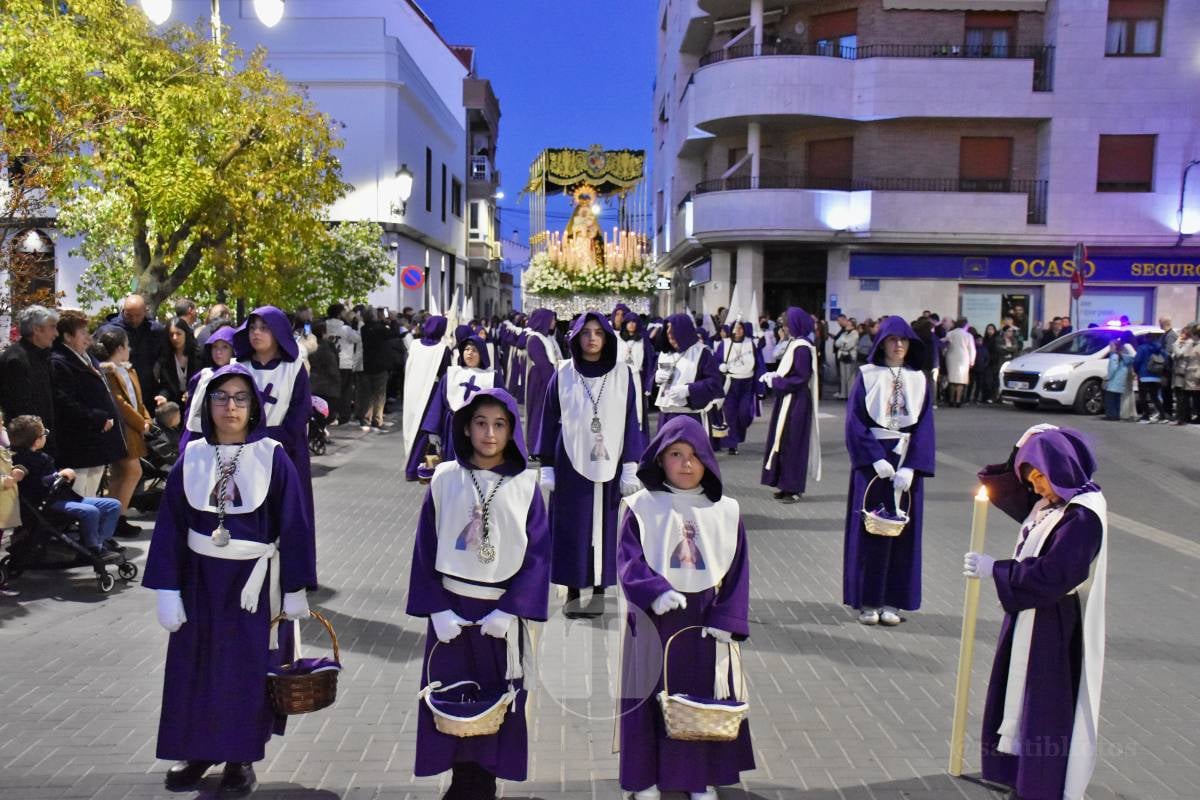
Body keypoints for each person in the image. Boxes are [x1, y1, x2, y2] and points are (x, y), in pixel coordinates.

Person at [142, 364, 316, 795]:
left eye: (240, 398)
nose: (230, 406)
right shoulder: (193, 457)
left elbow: (294, 525)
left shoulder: (272, 457)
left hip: (252, 586)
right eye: (221, 398)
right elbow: (171, 525)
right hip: (201, 580)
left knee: (245, 672)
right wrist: (167, 588)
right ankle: (198, 750)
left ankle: (241, 758)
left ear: (253, 406)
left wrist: (294, 588)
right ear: (207, 405)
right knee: (195, 667)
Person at [406, 388, 549, 800]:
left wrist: (510, 609)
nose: (489, 433)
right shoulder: (446, 478)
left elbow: (538, 554)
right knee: (452, 695)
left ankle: (482, 780)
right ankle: (460, 777)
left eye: (499, 425)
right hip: (452, 608)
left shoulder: (525, 484)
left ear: (511, 431)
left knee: (494, 697)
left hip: (499, 613)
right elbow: (425, 547)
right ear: (466, 428)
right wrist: (435, 609)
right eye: (481, 424)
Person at [617, 416, 754, 800]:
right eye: (676, 454)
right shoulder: (641, 506)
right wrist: (653, 590)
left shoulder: (725, 510)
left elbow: (738, 567)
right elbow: (629, 559)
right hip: (653, 618)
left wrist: (727, 616)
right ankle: (643, 778)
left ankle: (698, 777)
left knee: (698, 700)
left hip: (702, 620)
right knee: (646, 694)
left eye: (695, 456)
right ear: (661, 459)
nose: (687, 464)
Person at [968, 425, 1107, 800]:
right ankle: (1016, 774)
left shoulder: (1082, 515)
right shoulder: (1050, 503)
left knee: (1042, 707)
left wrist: (995, 570)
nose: (1035, 488)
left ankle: (1039, 786)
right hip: (1029, 609)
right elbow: (1000, 486)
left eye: (1041, 477)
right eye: (1031, 479)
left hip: (1052, 619)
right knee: (1019, 694)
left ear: (1062, 468)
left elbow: (1057, 574)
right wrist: (1021, 449)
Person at [536, 312, 644, 619]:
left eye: (599, 332)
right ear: (576, 337)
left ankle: (599, 590)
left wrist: (630, 465)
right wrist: (546, 464)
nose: (593, 338)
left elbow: (630, 422)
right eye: (586, 332)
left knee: (605, 528)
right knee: (573, 528)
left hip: (610, 463)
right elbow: (549, 419)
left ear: (607, 337)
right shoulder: (564, 373)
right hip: (570, 460)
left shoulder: (622, 374)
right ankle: (572, 591)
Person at [842, 316, 935, 627]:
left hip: (905, 462)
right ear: (881, 344)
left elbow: (924, 427)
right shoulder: (867, 376)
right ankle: (867, 600)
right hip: (873, 466)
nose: (898, 346)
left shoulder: (920, 379)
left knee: (902, 534)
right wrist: (873, 459)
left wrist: (911, 466)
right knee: (871, 532)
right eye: (893, 340)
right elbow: (855, 421)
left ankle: (894, 600)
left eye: (904, 341)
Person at [232, 307, 315, 519]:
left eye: (264, 328)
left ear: (278, 332)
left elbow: (300, 409)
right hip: (243, 445)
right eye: (252, 328)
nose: (256, 333)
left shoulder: (293, 368)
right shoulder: (239, 367)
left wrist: (275, 441)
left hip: (285, 446)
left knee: (285, 508)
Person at [8, 414, 122, 560]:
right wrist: (59, 475)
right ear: (37, 441)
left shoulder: (40, 456)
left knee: (113, 505)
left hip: (62, 497)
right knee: (90, 511)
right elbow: (38, 483)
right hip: (47, 503)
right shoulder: (22, 459)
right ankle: (93, 548)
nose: (46, 436)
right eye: (45, 433)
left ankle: (98, 542)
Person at [49, 310, 127, 497]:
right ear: (67, 336)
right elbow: (64, 402)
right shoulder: (59, 362)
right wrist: (96, 418)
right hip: (78, 443)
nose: (88, 337)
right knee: (79, 494)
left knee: (92, 493)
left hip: (96, 441)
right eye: (82, 332)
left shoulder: (86, 357)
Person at [760, 307, 821, 503]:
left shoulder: (802, 347)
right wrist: (775, 376)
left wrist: (776, 382)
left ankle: (793, 487)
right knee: (783, 440)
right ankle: (784, 483)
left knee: (793, 443)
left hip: (796, 402)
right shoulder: (795, 344)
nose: (784, 326)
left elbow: (800, 378)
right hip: (788, 399)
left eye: (787, 323)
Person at [95, 328, 152, 537]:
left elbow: (138, 400)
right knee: (132, 471)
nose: (129, 349)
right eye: (126, 345)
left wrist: (146, 419)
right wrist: (140, 423)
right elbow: (120, 404)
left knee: (122, 474)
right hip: (122, 429)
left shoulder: (129, 370)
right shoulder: (109, 372)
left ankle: (113, 517)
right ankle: (118, 517)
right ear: (119, 348)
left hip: (133, 428)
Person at [420, 337, 495, 464]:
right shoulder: (450, 375)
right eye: (467, 349)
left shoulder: (491, 377)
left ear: (482, 354)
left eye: (475, 350)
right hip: (452, 426)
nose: (470, 353)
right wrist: (433, 431)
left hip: (479, 427)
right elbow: (438, 404)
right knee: (451, 462)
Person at [0, 305, 60, 457]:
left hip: (43, 438)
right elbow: (19, 407)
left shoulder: (43, 356)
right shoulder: (16, 359)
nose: (56, 334)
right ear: (37, 329)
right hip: (28, 444)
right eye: (52, 327)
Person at [653, 313, 724, 434]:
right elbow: (651, 383)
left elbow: (715, 384)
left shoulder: (702, 353)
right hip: (665, 413)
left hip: (690, 416)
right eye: (668, 333)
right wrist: (655, 378)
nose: (670, 337)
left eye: (674, 333)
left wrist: (688, 390)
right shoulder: (664, 353)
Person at [403, 315, 451, 481]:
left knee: (413, 430)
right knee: (428, 431)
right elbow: (446, 374)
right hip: (433, 393)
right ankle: (427, 469)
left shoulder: (414, 345)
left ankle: (412, 469)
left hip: (412, 390)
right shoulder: (443, 349)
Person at [98, 294, 166, 405]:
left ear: (146, 311)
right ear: (122, 311)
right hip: (118, 390)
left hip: (148, 392)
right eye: (129, 315)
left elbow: (165, 358)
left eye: (138, 315)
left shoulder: (155, 331)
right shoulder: (109, 331)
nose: (134, 320)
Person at [180, 327, 236, 449]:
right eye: (215, 347)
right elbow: (190, 409)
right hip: (197, 433)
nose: (218, 352)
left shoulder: (239, 376)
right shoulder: (202, 375)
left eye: (224, 347)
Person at [715, 318, 763, 455]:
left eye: (741, 328)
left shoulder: (751, 344)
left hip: (746, 384)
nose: (738, 331)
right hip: (730, 383)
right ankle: (732, 444)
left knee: (744, 414)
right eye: (736, 328)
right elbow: (715, 362)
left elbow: (759, 366)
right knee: (730, 415)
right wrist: (720, 367)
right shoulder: (724, 345)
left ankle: (738, 435)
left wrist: (760, 388)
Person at [523, 308, 561, 450]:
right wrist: (553, 383)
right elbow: (543, 363)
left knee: (546, 414)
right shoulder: (535, 339)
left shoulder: (546, 338)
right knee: (539, 413)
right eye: (552, 319)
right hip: (540, 381)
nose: (554, 322)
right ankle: (535, 446)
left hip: (547, 378)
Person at [617, 312, 656, 440]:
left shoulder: (642, 340)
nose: (631, 324)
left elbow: (649, 361)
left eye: (634, 322)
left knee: (637, 408)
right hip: (621, 377)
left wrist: (648, 384)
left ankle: (638, 439)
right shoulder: (618, 339)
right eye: (629, 322)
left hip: (637, 377)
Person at [356, 307, 395, 431]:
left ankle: (365, 418)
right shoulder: (380, 329)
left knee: (366, 393)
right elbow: (393, 334)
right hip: (380, 365)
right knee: (379, 394)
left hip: (367, 364)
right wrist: (391, 320)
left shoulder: (363, 329)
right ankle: (377, 420)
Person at [324, 303, 361, 425]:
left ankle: (329, 415)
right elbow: (357, 339)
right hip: (345, 362)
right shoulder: (345, 328)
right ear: (340, 313)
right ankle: (343, 416)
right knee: (345, 391)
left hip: (328, 362)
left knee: (330, 390)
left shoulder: (324, 325)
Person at [154, 318, 199, 408]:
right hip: (175, 405)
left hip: (196, 404)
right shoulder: (165, 358)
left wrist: (191, 393)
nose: (175, 338)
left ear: (186, 334)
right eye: (171, 335)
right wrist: (163, 396)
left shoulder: (198, 355)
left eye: (178, 334)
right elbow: (166, 386)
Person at [306, 320, 341, 419]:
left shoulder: (309, 346)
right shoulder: (326, 348)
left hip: (313, 384)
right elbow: (332, 368)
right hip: (326, 387)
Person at [1100, 332, 1135, 421]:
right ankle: (1116, 415)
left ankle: (1111, 415)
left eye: (1111, 346)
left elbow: (1112, 369)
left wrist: (1107, 378)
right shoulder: (1124, 357)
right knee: (1117, 400)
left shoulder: (1114, 357)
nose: (1110, 348)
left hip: (1113, 383)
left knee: (1110, 400)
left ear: (1116, 347)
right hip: (1120, 383)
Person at [1133, 335, 1167, 422]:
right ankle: (1162, 415)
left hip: (1144, 376)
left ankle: (1146, 415)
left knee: (1143, 397)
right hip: (1156, 376)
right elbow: (1166, 358)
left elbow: (1137, 361)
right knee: (1154, 397)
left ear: (1146, 339)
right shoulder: (1160, 349)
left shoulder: (1142, 348)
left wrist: (1137, 371)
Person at [943, 317, 975, 408]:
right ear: (965, 325)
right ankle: (958, 400)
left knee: (952, 380)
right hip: (963, 358)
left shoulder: (950, 333)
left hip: (951, 357)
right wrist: (972, 361)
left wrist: (944, 354)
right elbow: (971, 349)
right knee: (960, 381)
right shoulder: (968, 335)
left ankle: (951, 399)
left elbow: (945, 345)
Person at [1171, 324, 1200, 424]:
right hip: (1186, 372)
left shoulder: (1190, 343)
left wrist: (1176, 344)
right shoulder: (1189, 343)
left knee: (1187, 396)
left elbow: (1179, 354)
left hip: (1190, 373)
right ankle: (1185, 416)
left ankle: (1185, 417)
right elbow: (1175, 355)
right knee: (1186, 396)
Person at [833, 315, 859, 399]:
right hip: (842, 357)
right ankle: (843, 394)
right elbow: (837, 343)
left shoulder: (855, 334)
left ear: (852, 325)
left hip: (850, 357)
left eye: (848, 324)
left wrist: (843, 344)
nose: (846, 326)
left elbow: (849, 345)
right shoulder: (844, 333)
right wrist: (843, 343)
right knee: (843, 377)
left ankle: (850, 395)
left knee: (850, 378)